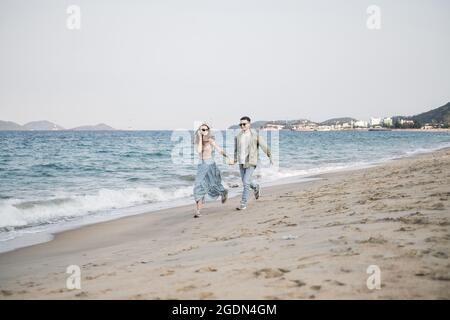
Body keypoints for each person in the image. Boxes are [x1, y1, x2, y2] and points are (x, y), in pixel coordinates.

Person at [229, 116, 272, 210]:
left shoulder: (255, 135)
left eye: (244, 124)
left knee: (245, 182)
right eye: (240, 124)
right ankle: (256, 187)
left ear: (249, 124)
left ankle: (243, 203)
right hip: (241, 162)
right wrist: (234, 159)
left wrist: (270, 155)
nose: (242, 126)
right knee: (245, 181)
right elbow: (236, 150)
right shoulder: (238, 136)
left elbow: (264, 146)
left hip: (251, 161)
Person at [193, 123, 232, 218]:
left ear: (208, 130)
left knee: (214, 185)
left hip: (210, 165)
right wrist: (200, 137)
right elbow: (198, 151)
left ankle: (223, 192)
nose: (204, 131)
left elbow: (219, 149)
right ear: (199, 130)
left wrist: (229, 158)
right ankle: (198, 210)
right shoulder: (198, 140)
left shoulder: (210, 140)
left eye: (205, 129)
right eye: (202, 129)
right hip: (201, 166)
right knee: (198, 186)